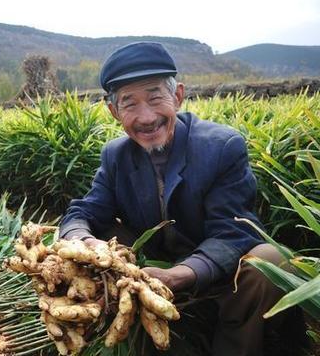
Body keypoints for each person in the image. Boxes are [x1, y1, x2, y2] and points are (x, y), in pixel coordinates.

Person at [59, 42, 303, 355]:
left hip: (219, 273)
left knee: (270, 260)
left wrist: (181, 275)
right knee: (96, 239)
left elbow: (233, 230)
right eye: (129, 103)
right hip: (154, 268)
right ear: (114, 111)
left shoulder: (221, 146)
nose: (146, 117)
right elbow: (84, 211)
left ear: (177, 96)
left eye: (155, 97)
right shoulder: (116, 155)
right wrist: (82, 242)